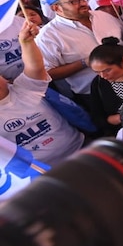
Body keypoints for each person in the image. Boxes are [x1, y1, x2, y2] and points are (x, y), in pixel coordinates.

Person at [0, 20, 84, 166]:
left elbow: (36, 67)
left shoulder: (23, 88)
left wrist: (26, 42)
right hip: (45, 175)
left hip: (81, 150)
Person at [35, 0, 123, 109]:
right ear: (56, 8)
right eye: (73, 1)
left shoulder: (102, 16)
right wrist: (85, 62)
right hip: (96, 94)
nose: (82, 3)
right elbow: (47, 74)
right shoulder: (48, 36)